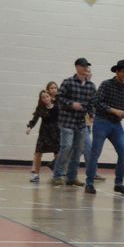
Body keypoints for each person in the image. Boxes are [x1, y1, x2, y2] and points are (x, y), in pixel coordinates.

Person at [85, 60, 124, 195]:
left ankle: (118, 183)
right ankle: (89, 183)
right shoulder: (106, 84)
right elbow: (96, 102)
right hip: (101, 122)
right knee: (95, 152)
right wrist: (114, 111)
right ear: (117, 71)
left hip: (116, 125)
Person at [52, 58, 96, 187]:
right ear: (76, 67)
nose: (85, 68)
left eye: (87, 66)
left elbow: (92, 103)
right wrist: (72, 104)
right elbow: (59, 97)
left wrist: (92, 114)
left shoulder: (91, 86)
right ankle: (58, 175)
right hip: (66, 121)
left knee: (78, 150)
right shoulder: (68, 82)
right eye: (83, 66)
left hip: (80, 123)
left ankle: (72, 177)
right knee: (66, 147)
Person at [26, 86, 59, 183]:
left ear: (50, 97)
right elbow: (34, 119)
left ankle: (56, 174)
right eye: (43, 97)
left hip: (55, 133)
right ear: (41, 99)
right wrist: (29, 127)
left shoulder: (57, 107)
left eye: (47, 96)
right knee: (38, 153)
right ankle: (36, 175)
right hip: (44, 133)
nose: (45, 99)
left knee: (57, 154)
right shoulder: (40, 108)